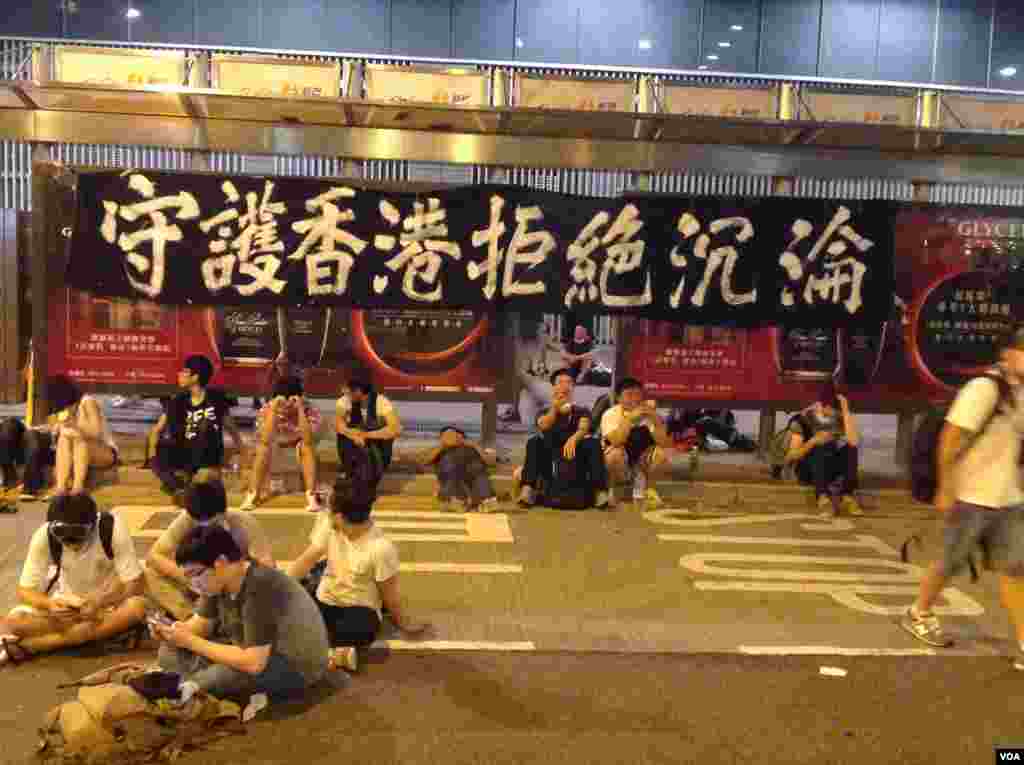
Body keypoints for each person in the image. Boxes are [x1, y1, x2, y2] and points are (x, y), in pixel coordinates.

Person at [900, 326, 1024, 662]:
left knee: (1015, 569)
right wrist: (945, 486)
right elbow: (951, 437)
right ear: (1008, 354)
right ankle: (919, 612)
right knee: (949, 562)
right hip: (971, 494)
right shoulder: (984, 389)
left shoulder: (1020, 392)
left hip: (1008, 496)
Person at [153, 523, 328, 699]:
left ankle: (193, 682)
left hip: (292, 665)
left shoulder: (259, 586)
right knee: (168, 653)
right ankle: (193, 681)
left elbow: (254, 663)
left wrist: (190, 641)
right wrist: (171, 632)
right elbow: (201, 626)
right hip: (248, 649)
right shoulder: (216, 581)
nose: (194, 583)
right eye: (188, 577)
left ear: (220, 562)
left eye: (196, 574)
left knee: (216, 677)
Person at [288, 481, 427, 673]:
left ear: (339, 516)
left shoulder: (381, 548)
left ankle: (324, 651)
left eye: (331, 509)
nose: (327, 512)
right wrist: (279, 586)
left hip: (356, 609)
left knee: (363, 627)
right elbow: (305, 561)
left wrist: (403, 621)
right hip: (325, 597)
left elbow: (390, 594)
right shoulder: (330, 526)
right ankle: (334, 653)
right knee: (294, 604)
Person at [0, 494, 147, 665]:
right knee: (13, 621)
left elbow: (135, 583)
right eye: (61, 533)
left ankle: (37, 645)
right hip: (67, 610)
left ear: (93, 525)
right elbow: (25, 590)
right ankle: (86, 636)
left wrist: (99, 602)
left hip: (108, 606)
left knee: (138, 606)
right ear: (51, 527)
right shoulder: (44, 535)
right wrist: (49, 605)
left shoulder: (111, 527)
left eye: (77, 533)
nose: (69, 540)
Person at [146, 480, 275, 621]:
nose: (205, 526)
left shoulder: (243, 522)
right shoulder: (187, 519)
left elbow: (267, 567)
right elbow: (154, 556)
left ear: (224, 512)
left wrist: (226, 579)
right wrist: (191, 577)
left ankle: (211, 620)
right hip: (200, 585)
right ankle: (190, 617)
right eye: (200, 522)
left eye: (212, 521)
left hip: (228, 585)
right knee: (150, 574)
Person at [0, 376, 118, 501]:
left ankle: (77, 487)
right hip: (76, 448)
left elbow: (96, 432)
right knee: (64, 438)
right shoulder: (65, 411)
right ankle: (60, 488)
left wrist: (74, 425)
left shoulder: (87, 402)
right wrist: (52, 428)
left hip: (103, 450)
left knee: (75, 437)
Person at [150, 356, 243, 500]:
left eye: (184, 371)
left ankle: (193, 489)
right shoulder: (177, 402)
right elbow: (156, 431)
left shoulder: (216, 399)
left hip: (209, 462)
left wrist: (241, 451)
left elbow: (231, 428)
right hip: (184, 461)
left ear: (195, 377)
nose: (179, 374)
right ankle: (183, 487)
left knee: (203, 486)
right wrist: (154, 460)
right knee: (190, 496)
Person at [518, 368, 611, 510]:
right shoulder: (544, 411)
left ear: (572, 387)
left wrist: (574, 438)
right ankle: (528, 489)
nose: (564, 386)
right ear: (553, 387)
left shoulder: (581, 410)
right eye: (560, 382)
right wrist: (555, 408)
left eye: (568, 382)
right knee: (534, 442)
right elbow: (543, 425)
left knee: (593, 443)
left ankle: (600, 492)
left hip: (575, 453)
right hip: (551, 455)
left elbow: (584, 427)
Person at [241, 376, 327, 513]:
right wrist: (274, 410)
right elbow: (264, 439)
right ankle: (253, 494)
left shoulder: (309, 410)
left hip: (299, 449)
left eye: (291, 402)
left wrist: (299, 410)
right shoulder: (268, 409)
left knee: (306, 446)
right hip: (274, 448)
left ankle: (311, 496)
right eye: (282, 402)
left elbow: (308, 439)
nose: (286, 406)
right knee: (262, 448)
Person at [784, 382, 863, 515]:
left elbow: (854, 442)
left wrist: (845, 409)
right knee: (821, 446)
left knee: (851, 448)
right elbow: (791, 456)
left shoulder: (838, 417)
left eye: (833, 408)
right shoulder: (803, 419)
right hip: (808, 469)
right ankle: (822, 498)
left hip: (829, 469)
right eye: (827, 407)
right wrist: (813, 441)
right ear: (819, 404)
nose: (830, 411)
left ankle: (847, 497)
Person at [600, 377, 671, 505]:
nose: (634, 399)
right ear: (618, 398)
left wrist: (655, 417)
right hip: (621, 460)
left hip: (641, 461)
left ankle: (645, 489)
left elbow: (663, 442)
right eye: (629, 395)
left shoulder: (649, 413)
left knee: (662, 454)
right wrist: (630, 419)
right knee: (613, 455)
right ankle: (610, 489)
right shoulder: (610, 414)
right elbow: (616, 440)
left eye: (638, 394)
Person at [335, 379, 402, 489]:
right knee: (343, 435)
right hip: (354, 446)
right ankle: (351, 473)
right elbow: (338, 425)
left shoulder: (381, 402)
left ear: (358, 391)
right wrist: (352, 434)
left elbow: (395, 429)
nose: (344, 392)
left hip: (376, 447)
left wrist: (365, 435)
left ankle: (370, 476)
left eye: (347, 390)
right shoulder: (345, 401)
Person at [419, 426, 499, 513]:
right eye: (447, 436)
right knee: (449, 465)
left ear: (462, 437)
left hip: (472, 474)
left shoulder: (474, 448)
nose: (451, 438)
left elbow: (491, 461)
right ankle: (456, 499)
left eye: (454, 435)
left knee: (477, 469)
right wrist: (442, 446)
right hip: (453, 477)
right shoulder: (440, 450)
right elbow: (423, 460)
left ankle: (484, 499)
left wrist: (474, 446)